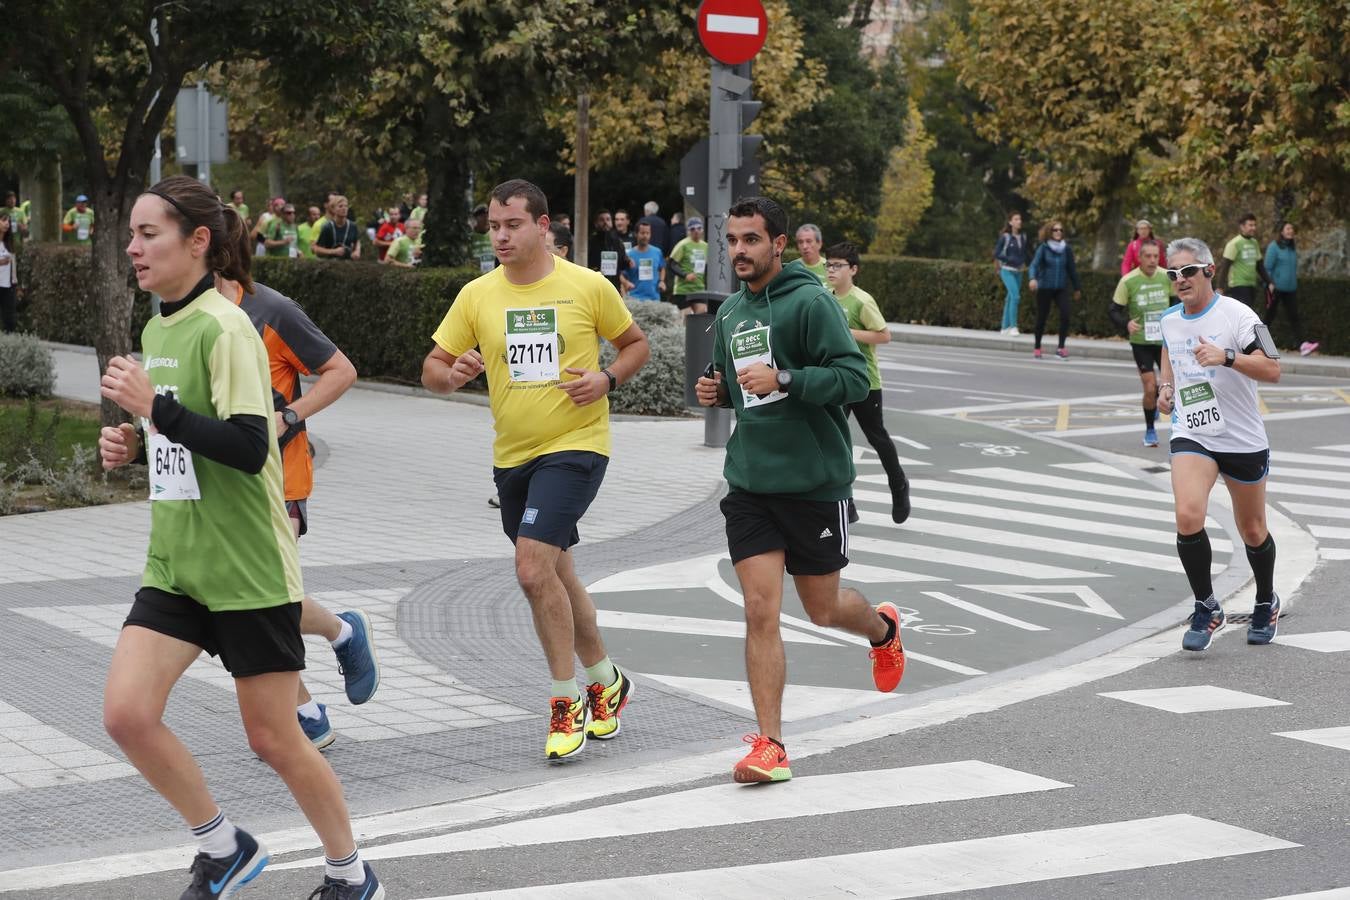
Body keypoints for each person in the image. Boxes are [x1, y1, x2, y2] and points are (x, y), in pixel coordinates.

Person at [97, 175, 384, 899]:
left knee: (275, 739)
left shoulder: (227, 326)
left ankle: (352, 875)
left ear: (198, 242)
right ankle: (223, 847)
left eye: (148, 234)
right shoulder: (158, 326)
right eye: (131, 234)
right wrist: (133, 440)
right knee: (127, 714)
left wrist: (153, 407)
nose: (133, 247)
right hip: (176, 562)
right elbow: (177, 433)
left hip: (247, 567)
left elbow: (248, 447)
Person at [421, 179, 651, 761]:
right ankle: (606, 679)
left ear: (543, 226)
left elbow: (634, 345)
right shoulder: (477, 295)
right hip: (512, 457)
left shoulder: (586, 287)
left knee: (530, 570)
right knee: (557, 574)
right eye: (494, 225)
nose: (500, 235)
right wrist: (451, 376)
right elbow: (432, 367)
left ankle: (563, 698)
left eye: (513, 225)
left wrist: (606, 379)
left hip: (577, 444)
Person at [694, 196, 906, 785]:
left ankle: (883, 628)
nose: (739, 250)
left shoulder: (811, 301)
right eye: (732, 240)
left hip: (813, 484)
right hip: (751, 484)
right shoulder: (732, 312)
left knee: (823, 607)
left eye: (751, 240)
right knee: (761, 610)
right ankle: (771, 746)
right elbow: (739, 393)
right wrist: (717, 395)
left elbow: (853, 377)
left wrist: (786, 376)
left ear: (779, 245)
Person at [211, 264, 378, 750]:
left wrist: (288, 415)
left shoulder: (271, 309)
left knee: (262, 599)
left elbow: (341, 371)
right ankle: (314, 692)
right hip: (222, 480)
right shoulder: (187, 317)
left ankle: (315, 693)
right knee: (243, 602)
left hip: (279, 476)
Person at [1155, 237, 1282, 653]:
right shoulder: (1171, 319)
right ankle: (1207, 606)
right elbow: (1169, 351)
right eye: (1173, 274)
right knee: (1188, 515)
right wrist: (1166, 387)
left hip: (1241, 438)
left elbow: (1272, 368)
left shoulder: (1239, 315)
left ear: (1210, 270)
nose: (1180, 280)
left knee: (1252, 529)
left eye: (1188, 271)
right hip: (1193, 432)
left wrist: (1226, 357)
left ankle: (1266, 599)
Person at [825, 241, 910, 524]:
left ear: (853, 270)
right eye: (829, 264)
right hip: (837, 379)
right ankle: (846, 501)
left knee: (876, 437)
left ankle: (898, 485)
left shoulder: (862, 301)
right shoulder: (826, 297)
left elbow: (884, 335)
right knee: (836, 441)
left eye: (838, 265)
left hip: (865, 381)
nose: (831, 270)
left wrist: (848, 333)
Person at [1109, 240, 1173, 447]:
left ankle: (1160, 412)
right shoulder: (1128, 281)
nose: (1153, 260)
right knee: (1149, 387)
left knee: (1171, 385)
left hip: (1164, 341)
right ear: (1140, 258)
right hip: (1141, 342)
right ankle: (1150, 430)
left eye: (1156, 256)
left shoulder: (1166, 277)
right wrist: (1126, 324)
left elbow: (1177, 303)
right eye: (1149, 256)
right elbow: (1113, 310)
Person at [1027, 220, 1081, 360]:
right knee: (1042, 318)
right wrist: (1032, 278)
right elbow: (1034, 265)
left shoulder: (1066, 249)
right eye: (1055, 230)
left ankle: (1060, 348)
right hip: (1045, 287)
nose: (1058, 232)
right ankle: (1037, 347)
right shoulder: (1043, 248)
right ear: (1049, 232)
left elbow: (1072, 269)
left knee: (1066, 314)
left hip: (1060, 288)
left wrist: (1077, 288)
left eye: (1061, 230)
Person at [1263, 222, 1317, 356]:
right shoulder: (1274, 247)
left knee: (1294, 317)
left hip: (1290, 289)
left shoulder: (1292, 248)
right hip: (1275, 288)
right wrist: (1269, 283)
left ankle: (1303, 345)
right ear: (1281, 231)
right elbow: (1267, 267)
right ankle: (1256, 344)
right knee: (1269, 317)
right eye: (1287, 228)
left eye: (1292, 228)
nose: (1290, 231)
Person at [1216, 213, 1270, 308]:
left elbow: (1260, 266)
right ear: (1242, 226)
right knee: (1244, 313)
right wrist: (1220, 287)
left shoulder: (1254, 243)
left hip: (1251, 284)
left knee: (1249, 312)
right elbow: (1225, 267)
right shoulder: (1234, 243)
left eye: (1254, 225)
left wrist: (1270, 282)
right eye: (1250, 225)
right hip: (1238, 284)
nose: (1253, 228)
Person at [993, 212, 1028, 335]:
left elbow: (1023, 254)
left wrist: (1022, 262)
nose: (1019, 221)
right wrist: (1010, 259)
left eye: (1020, 219)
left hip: (1019, 272)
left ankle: (1004, 327)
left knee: (1010, 298)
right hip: (1006, 270)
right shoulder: (1005, 237)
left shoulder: (1023, 237)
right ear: (1010, 222)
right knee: (1015, 297)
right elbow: (996, 253)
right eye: (1016, 219)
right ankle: (1013, 326)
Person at [668, 216, 709, 316]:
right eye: (692, 229)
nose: (696, 231)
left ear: (702, 230)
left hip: (699, 288)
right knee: (686, 318)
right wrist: (685, 275)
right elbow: (671, 263)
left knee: (702, 314)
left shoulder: (705, 246)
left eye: (699, 228)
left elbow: (707, 267)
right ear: (688, 231)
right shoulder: (683, 245)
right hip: (683, 290)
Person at [587, 209, 630, 293]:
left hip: (614, 286)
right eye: (602, 220)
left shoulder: (617, 241)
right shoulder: (590, 241)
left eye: (608, 219)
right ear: (596, 223)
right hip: (595, 286)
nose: (605, 222)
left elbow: (621, 264)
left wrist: (627, 262)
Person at [626, 221, 664, 302]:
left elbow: (662, 268)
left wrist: (662, 281)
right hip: (635, 299)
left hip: (654, 298)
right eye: (642, 233)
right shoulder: (629, 255)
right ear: (636, 234)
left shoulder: (657, 252)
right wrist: (626, 283)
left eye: (648, 233)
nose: (645, 236)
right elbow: (621, 274)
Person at [313, 195, 361, 261]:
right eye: (340, 206)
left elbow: (356, 241)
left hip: (348, 264)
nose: (344, 208)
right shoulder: (327, 227)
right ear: (334, 209)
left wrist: (357, 252)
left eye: (346, 206)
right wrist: (334, 251)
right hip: (330, 264)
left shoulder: (352, 226)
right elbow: (317, 249)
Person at [470, 203, 496, 273]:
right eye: (483, 218)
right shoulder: (470, 237)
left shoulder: (494, 235)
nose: (486, 221)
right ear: (476, 219)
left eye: (488, 218)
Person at [0, 213, 15, 333]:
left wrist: (15, 281)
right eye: (4, 220)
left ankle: (8, 344)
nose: (7, 223)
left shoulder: (9, 242)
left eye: (8, 221)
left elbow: (13, 264)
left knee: (9, 319)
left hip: (8, 285)